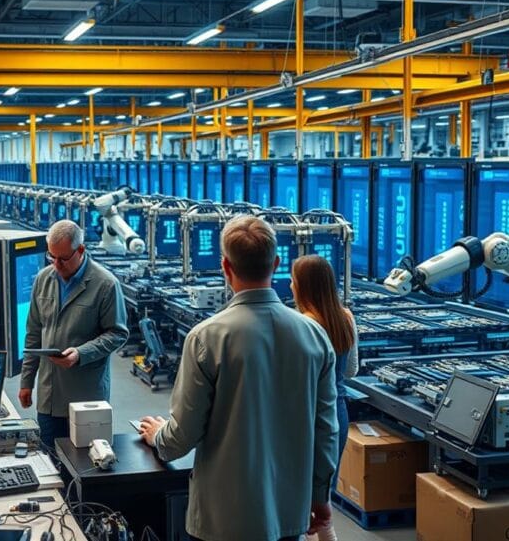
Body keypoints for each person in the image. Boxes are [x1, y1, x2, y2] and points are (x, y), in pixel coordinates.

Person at [139, 216, 339, 541]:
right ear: (276, 263)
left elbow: (182, 436)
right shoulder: (314, 336)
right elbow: (327, 430)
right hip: (288, 514)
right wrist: (320, 495)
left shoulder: (207, 337)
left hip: (223, 519)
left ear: (225, 267)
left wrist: (159, 435)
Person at [19, 220, 129, 449]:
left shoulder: (105, 284)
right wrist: (26, 381)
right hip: (49, 397)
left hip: (86, 398)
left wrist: (80, 354)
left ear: (80, 250)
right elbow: (34, 333)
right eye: (52, 257)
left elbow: (117, 333)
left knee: (86, 463)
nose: (56, 265)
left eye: (63, 259)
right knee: (51, 458)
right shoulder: (43, 279)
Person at [291, 255, 359, 541]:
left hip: (305, 415)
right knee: (323, 496)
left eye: (294, 281)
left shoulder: (300, 324)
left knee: (298, 500)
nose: (291, 286)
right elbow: (352, 369)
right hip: (338, 412)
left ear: (302, 287)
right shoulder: (345, 316)